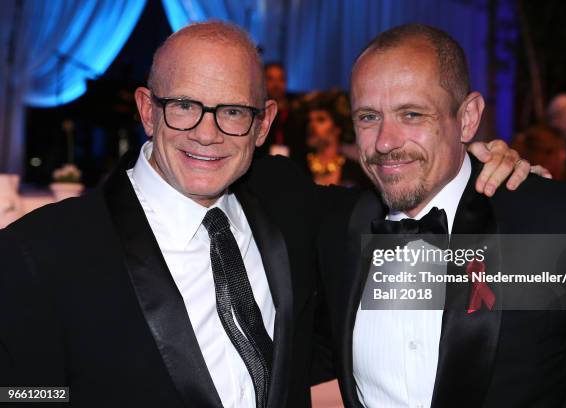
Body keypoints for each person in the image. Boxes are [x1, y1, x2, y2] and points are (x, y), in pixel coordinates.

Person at [0, 21, 531, 408]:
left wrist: (485, 167)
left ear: (263, 124)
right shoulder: (41, 251)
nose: (207, 133)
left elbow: (415, 201)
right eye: (184, 105)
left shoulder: (289, 202)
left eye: (232, 111)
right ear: (147, 109)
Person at [317, 24, 566, 408]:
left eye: (411, 114)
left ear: (468, 117)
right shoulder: (339, 228)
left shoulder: (560, 224)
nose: (385, 142)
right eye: (368, 117)